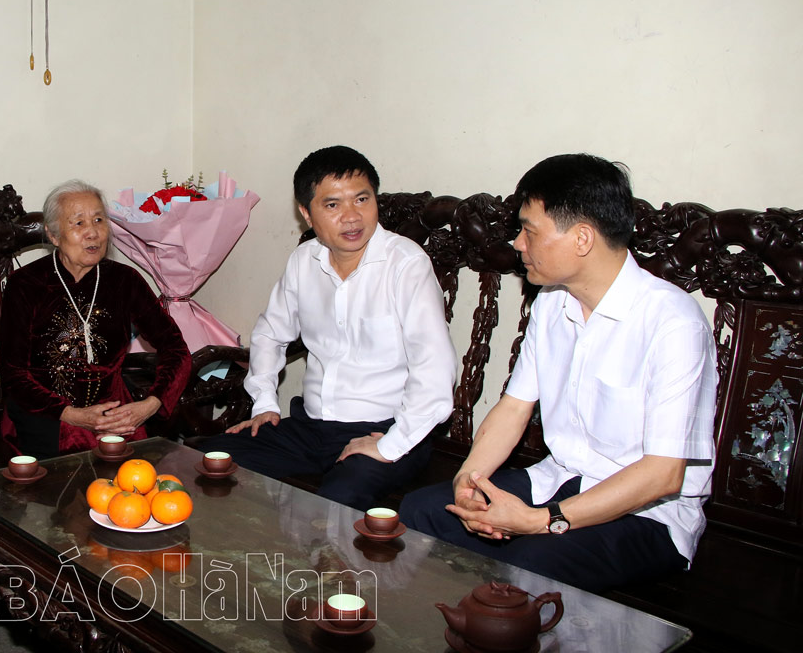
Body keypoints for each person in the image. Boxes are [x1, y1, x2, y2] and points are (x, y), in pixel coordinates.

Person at [398, 154, 718, 594]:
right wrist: (468, 482)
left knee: (530, 562)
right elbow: (514, 407)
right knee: (423, 511)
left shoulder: (672, 323)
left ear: (582, 238)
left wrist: (537, 521)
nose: (517, 244)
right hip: (561, 478)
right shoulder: (552, 303)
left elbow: (662, 475)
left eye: (529, 230)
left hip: (648, 514)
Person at [200, 146, 457, 510]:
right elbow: (270, 333)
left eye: (362, 199)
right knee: (205, 458)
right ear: (306, 213)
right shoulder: (304, 262)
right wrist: (264, 403)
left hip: (386, 430)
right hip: (310, 428)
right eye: (332, 205)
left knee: (336, 503)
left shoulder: (406, 265)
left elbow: (435, 372)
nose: (351, 217)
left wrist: (389, 444)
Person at [0, 180, 190, 457]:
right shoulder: (25, 284)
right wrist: (72, 415)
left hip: (116, 417)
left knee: (133, 491)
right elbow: (14, 375)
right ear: (53, 235)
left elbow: (176, 349)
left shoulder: (125, 281)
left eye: (99, 220)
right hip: (44, 416)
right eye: (78, 223)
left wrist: (150, 404)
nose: (93, 233)